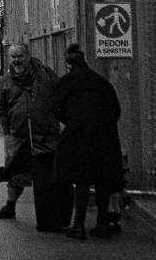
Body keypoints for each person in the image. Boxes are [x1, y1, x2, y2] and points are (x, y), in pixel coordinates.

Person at [53, 43, 124, 240]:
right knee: (102, 180)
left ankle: (78, 225)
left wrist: (72, 122)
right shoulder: (102, 82)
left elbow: (55, 107)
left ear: (68, 63)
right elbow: (115, 109)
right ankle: (102, 223)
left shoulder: (67, 82)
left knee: (81, 180)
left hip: (79, 135)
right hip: (105, 136)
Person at [0, 40, 60, 220]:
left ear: (29, 56)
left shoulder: (46, 75)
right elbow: (1, 108)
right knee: (15, 172)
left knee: (48, 173)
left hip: (45, 133)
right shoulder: (6, 81)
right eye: (13, 57)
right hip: (18, 135)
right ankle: (10, 205)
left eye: (20, 56)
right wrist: (7, 133)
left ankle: (50, 209)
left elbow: (59, 96)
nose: (16, 60)